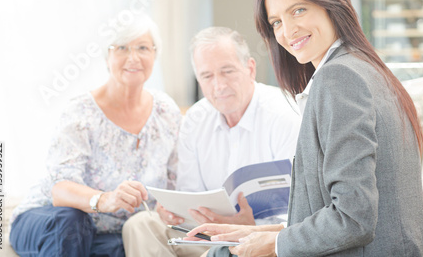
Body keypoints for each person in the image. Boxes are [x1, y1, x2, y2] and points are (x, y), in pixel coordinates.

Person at [186, 0, 423, 256]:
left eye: (298, 10)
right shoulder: (364, 68)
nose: (288, 30)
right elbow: (345, 212)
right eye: (276, 22)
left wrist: (274, 244)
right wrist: (255, 233)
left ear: (330, 4)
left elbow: (353, 218)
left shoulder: (339, 78)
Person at [9, 13, 181, 257]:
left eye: (143, 47)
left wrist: (168, 209)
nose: (133, 57)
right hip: (50, 219)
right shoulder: (81, 112)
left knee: (126, 245)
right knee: (72, 222)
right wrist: (104, 199)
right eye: (121, 47)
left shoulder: (167, 112)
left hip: (109, 233)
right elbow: (61, 188)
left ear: (155, 54)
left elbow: (174, 183)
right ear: (107, 57)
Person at [121, 27, 301, 257]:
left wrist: (250, 226)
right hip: (206, 235)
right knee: (141, 224)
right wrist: (172, 213)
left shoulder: (284, 115)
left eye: (227, 71)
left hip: (262, 239)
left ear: (250, 69)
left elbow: (300, 215)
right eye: (207, 76)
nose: (219, 85)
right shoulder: (196, 119)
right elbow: (189, 193)